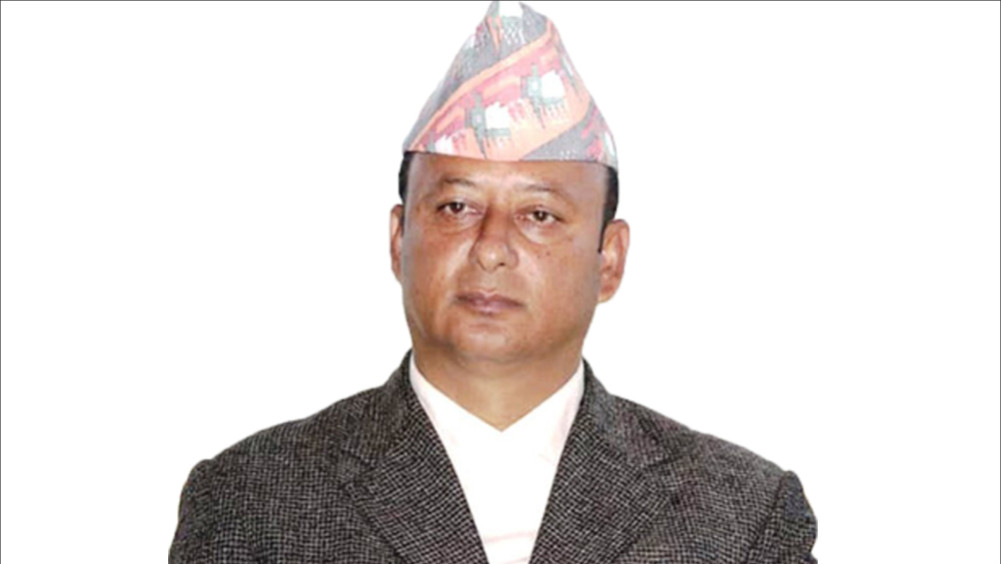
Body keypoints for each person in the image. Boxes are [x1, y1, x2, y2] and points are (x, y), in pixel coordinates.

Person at [169, 2, 818, 563]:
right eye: (456, 207)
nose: (490, 249)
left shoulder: (742, 516)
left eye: (539, 215)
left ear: (610, 260)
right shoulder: (252, 499)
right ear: (399, 239)